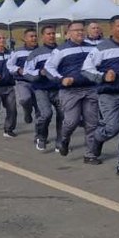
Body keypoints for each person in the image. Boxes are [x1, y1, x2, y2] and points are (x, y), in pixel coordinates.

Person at [81, 15, 119, 173]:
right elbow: (86, 69)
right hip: (108, 95)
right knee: (112, 127)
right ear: (111, 28)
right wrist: (102, 76)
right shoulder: (101, 48)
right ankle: (96, 140)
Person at [44, 21, 99, 158]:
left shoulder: (92, 48)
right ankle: (64, 138)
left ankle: (90, 154)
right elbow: (48, 68)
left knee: (91, 123)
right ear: (68, 33)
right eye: (76, 30)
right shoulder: (61, 50)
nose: (80, 32)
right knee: (71, 121)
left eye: (82, 30)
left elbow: (100, 64)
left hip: (90, 89)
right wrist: (61, 79)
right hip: (70, 91)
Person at [23, 25, 63, 151]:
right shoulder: (36, 53)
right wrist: (39, 73)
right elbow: (26, 72)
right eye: (48, 34)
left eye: (53, 33)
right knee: (46, 114)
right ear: (43, 36)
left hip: (59, 89)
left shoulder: (62, 50)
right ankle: (41, 136)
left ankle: (61, 141)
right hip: (41, 89)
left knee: (63, 115)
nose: (51, 36)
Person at [7, 29, 40, 125]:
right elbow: (9, 65)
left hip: (38, 82)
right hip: (23, 82)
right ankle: (28, 111)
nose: (34, 38)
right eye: (31, 36)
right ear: (25, 39)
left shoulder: (41, 51)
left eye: (35, 36)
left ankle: (39, 132)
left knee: (40, 108)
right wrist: (17, 69)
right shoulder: (17, 52)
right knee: (25, 99)